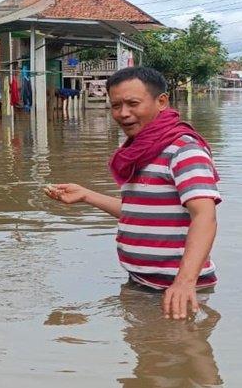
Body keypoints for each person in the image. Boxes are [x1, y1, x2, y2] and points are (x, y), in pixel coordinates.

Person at [44, 67, 221, 320]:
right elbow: (139, 212)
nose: (123, 113)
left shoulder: (184, 149)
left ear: (161, 102)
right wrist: (86, 195)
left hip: (180, 291)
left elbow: (205, 217)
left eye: (132, 104)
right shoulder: (137, 150)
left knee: (186, 354)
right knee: (147, 355)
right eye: (116, 105)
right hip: (140, 283)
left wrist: (184, 282)